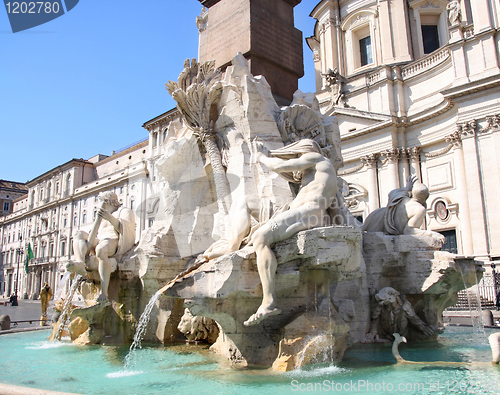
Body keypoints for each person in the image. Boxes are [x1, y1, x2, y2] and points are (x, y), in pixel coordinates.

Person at [204, 138, 338, 326]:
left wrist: (261, 155)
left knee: (261, 236)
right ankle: (232, 246)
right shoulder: (313, 175)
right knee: (247, 202)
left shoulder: (317, 159)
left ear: (302, 152)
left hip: (309, 212)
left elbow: (281, 166)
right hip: (291, 211)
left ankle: (270, 301)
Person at [67, 192, 135, 301]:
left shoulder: (125, 211)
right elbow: (94, 233)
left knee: (100, 250)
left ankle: (104, 293)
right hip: (101, 239)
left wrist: (110, 218)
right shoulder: (102, 214)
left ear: (110, 202)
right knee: (78, 234)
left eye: (102, 203)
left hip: (114, 241)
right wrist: (99, 219)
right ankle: (80, 263)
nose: (100, 205)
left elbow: (127, 230)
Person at [363, 175, 444, 240]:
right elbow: (408, 231)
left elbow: (392, 192)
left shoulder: (398, 196)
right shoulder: (419, 209)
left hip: (375, 217)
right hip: (382, 228)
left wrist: (407, 188)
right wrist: (431, 234)